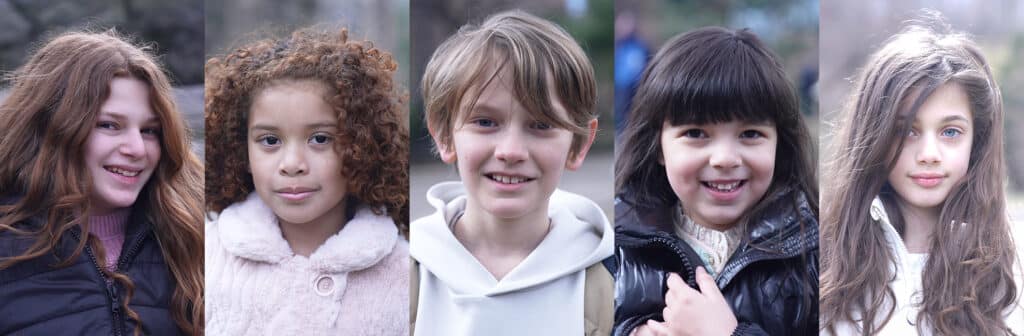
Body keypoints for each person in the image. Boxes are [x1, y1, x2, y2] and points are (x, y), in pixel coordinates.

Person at [410, 10, 614, 335]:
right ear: (445, 135)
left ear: (579, 144)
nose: (511, 151)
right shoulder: (404, 268)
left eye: (541, 125)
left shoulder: (612, 280)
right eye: (486, 122)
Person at [820, 18, 1024, 335]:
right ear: (876, 136)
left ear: (977, 140)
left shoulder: (1010, 267)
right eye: (906, 131)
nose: (929, 153)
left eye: (951, 132)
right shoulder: (827, 259)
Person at [612, 27, 819, 336]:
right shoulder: (619, 246)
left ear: (779, 144)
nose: (724, 158)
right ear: (658, 147)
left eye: (750, 134)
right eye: (696, 133)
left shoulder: (814, 253)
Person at [203, 28, 410, 335]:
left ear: (360, 146)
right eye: (270, 140)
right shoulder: (205, 257)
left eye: (320, 139)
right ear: (240, 150)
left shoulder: (405, 272)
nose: (292, 165)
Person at [0, 30, 204, 335]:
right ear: (53, 127)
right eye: (110, 125)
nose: (136, 148)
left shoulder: (197, 237)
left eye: (150, 130)